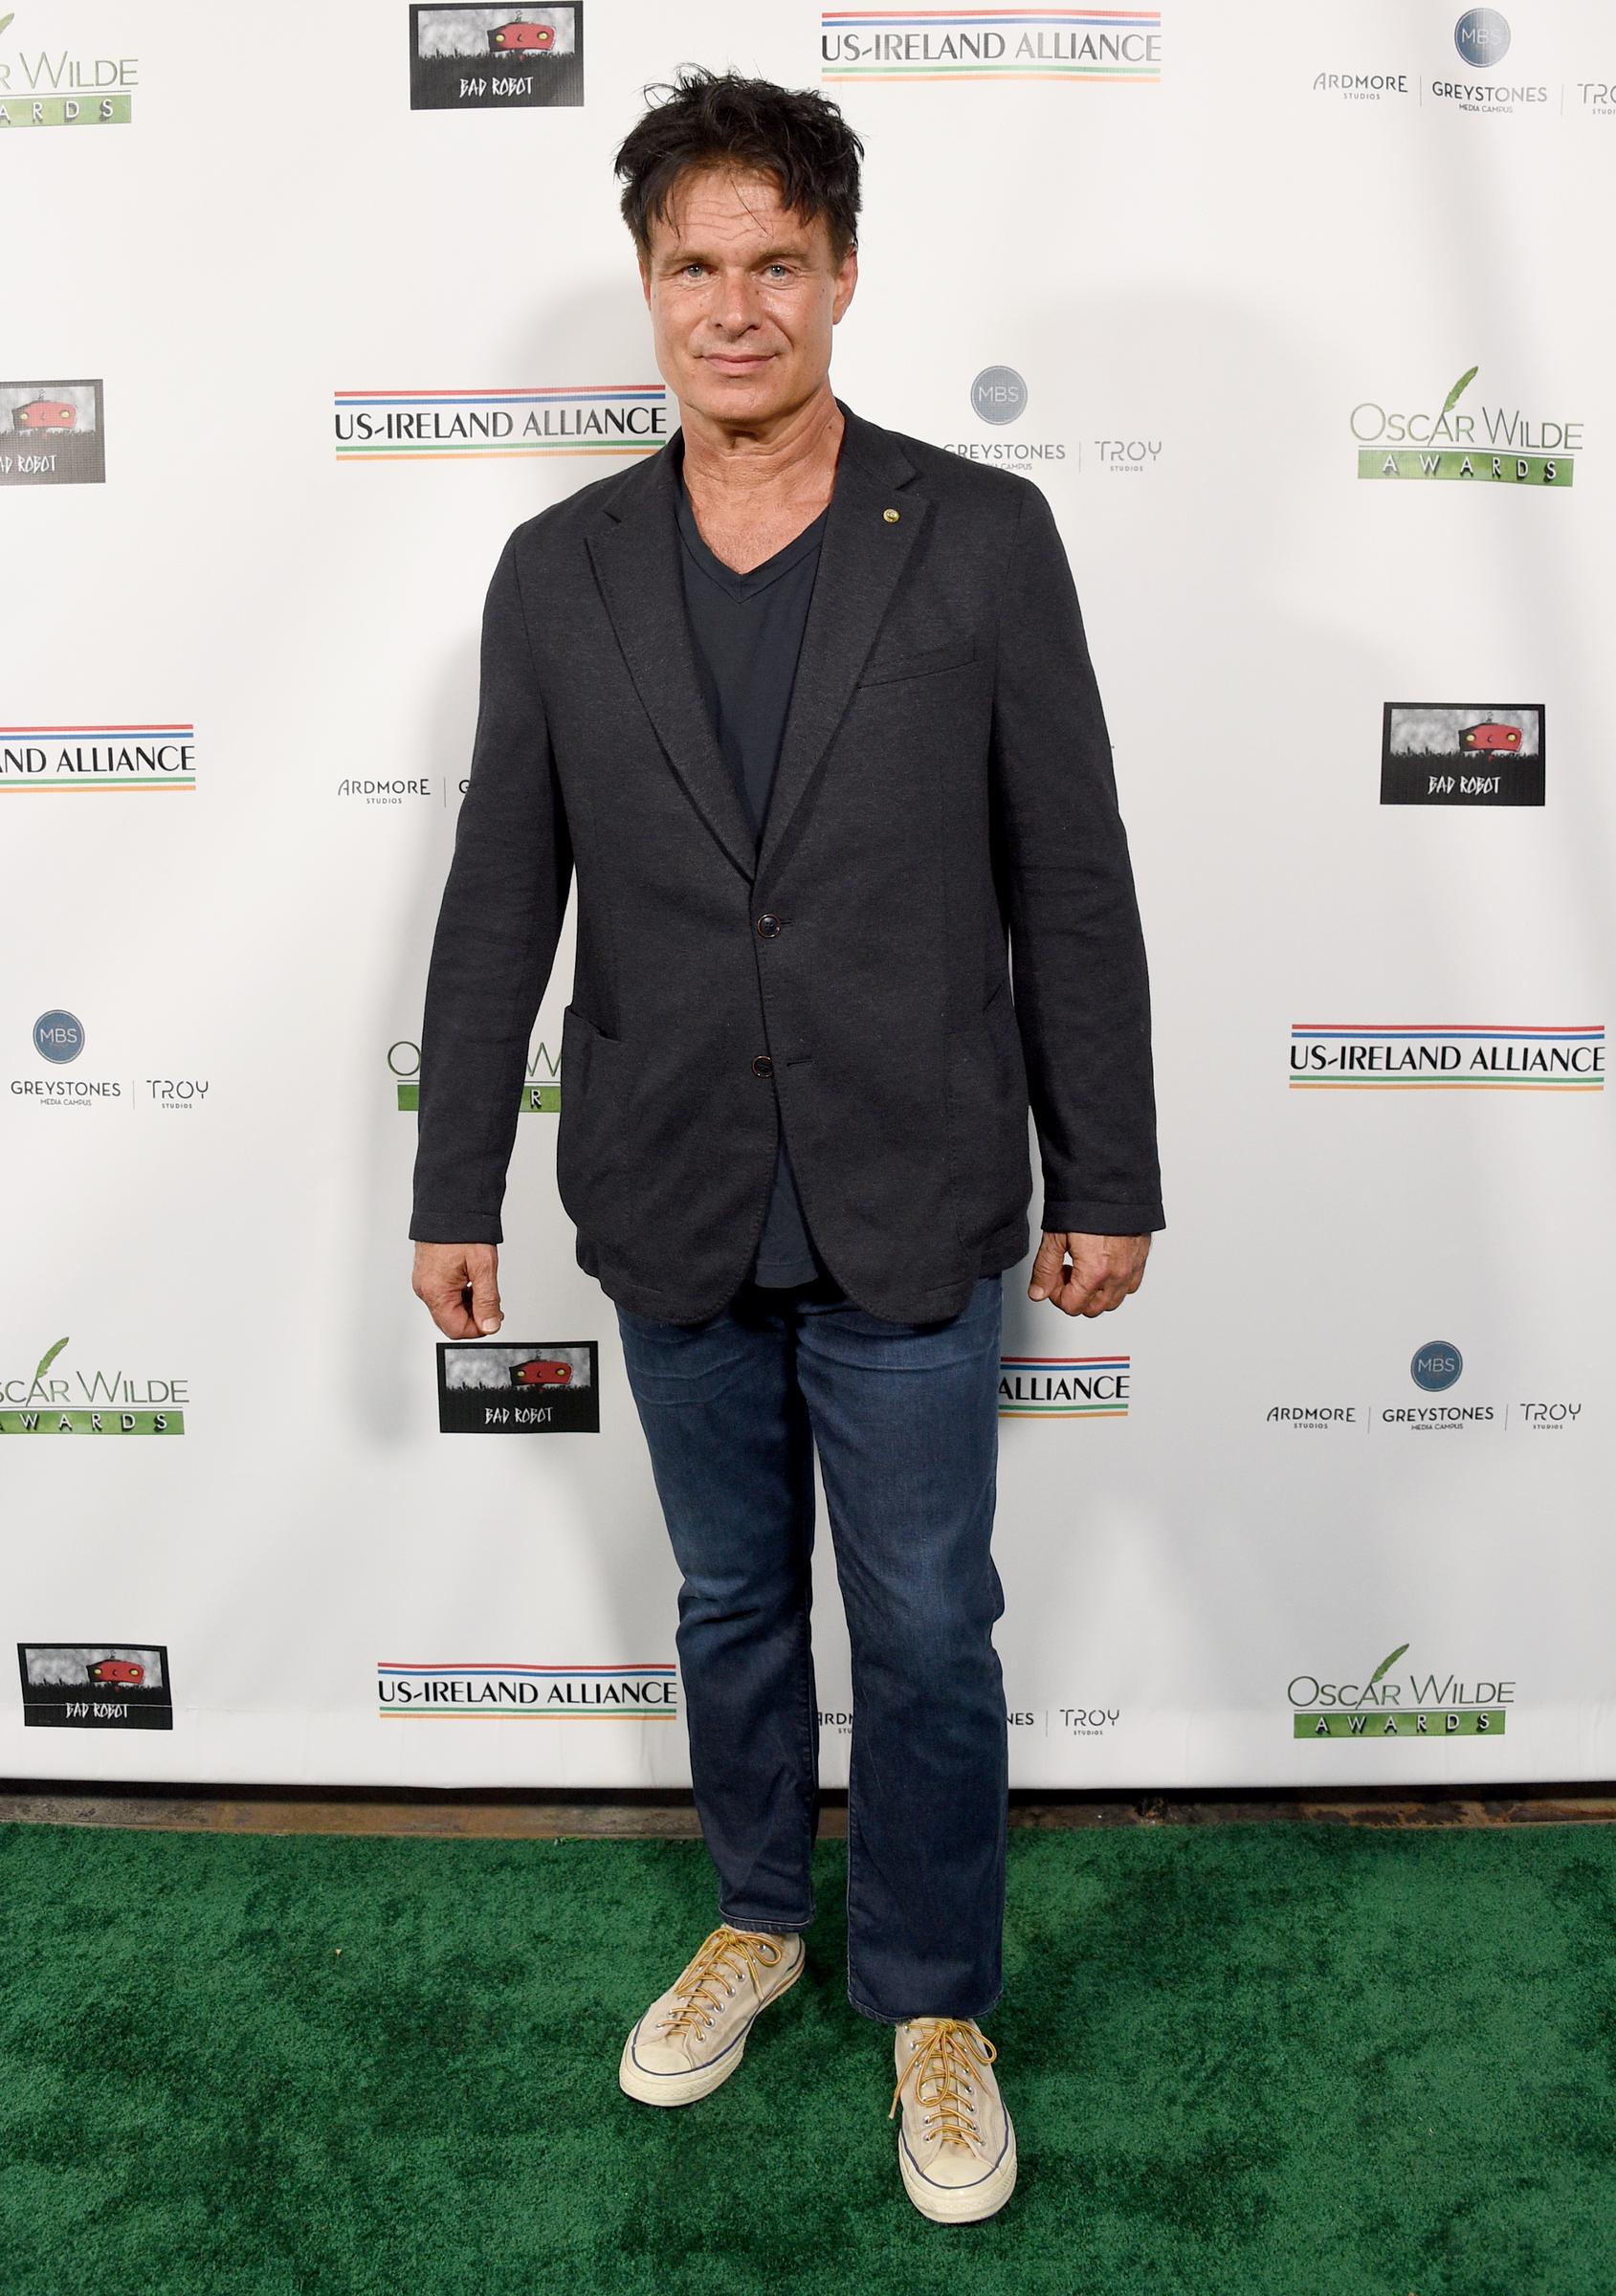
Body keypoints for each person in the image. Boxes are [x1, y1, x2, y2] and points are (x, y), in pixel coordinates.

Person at [409, 65, 1162, 2226]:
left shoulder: (981, 536)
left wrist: (1105, 1168)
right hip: (666, 1186)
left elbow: (1069, 873)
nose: (731, 307)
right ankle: (754, 1911)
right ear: (648, 287)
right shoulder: (556, 568)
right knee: (731, 1598)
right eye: (692, 267)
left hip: (909, 1180)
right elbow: (498, 893)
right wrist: (453, 1184)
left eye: (774, 265)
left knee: (922, 1623)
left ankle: (931, 2001)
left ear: (840, 278)